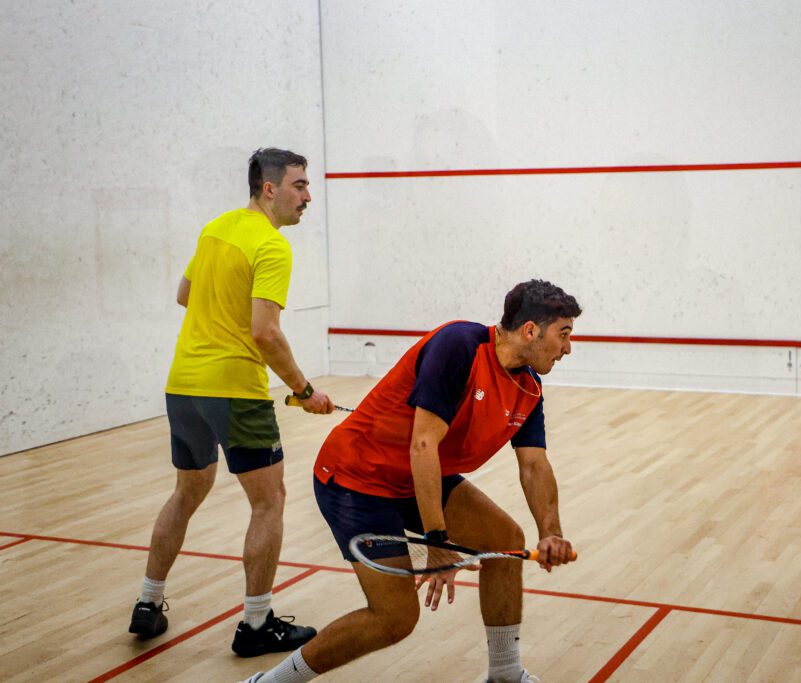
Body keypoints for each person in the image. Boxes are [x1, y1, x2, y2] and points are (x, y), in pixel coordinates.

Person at [239, 279, 582, 683]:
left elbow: (534, 466)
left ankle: (504, 675)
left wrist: (551, 532)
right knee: (395, 618)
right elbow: (423, 443)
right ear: (530, 331)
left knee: (505, 539)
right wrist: (438, 542)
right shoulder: (459, 346)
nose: (568, 348)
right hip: (356, 477)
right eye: (564, 335)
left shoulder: (528, 387)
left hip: (415, 479)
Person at [128, 148, 334, 658]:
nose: (308, 196)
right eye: (300, 185)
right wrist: (304, 392)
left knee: (186, 492)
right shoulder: (271, 246)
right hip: (235, 390)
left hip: (183, 385)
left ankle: (148, 603)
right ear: (270, 189)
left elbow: (185, 294)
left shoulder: (216, 228)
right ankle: (257, 624)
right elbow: (265, 333)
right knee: (270, 502)